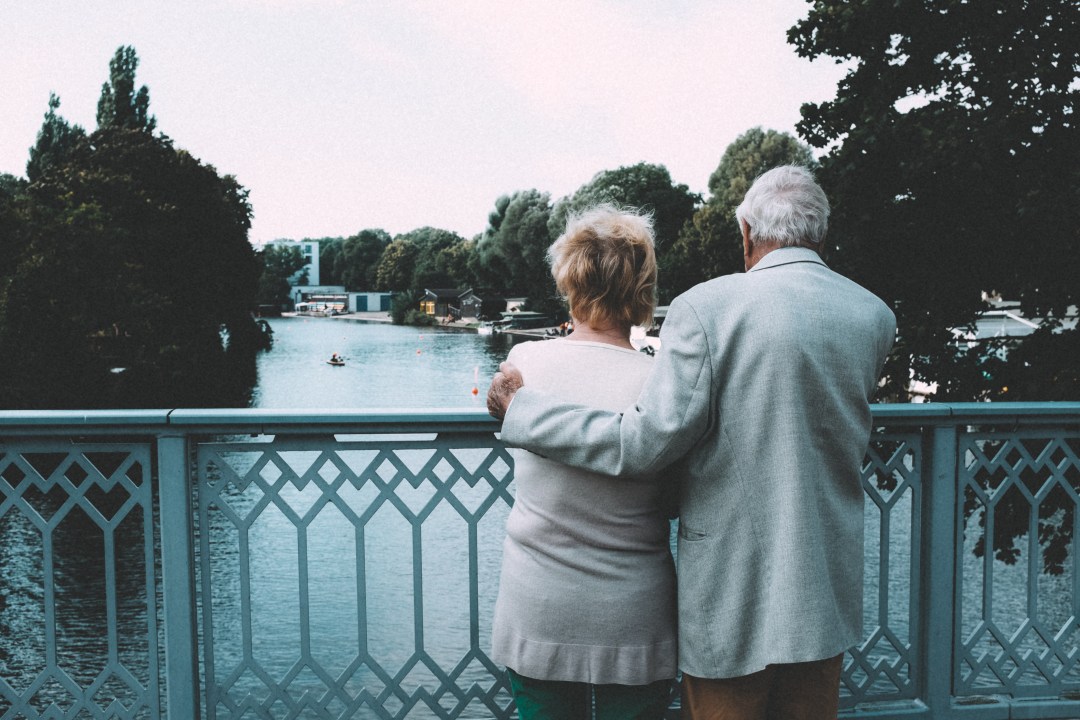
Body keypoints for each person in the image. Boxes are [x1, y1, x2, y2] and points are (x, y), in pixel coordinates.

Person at [487, 166, 897, 720]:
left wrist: (525, 412)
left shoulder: (706, 308)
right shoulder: (873, 315)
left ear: (746, 233)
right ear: (822, 237)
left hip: (727, 589)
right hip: (822, 583)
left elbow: (646, 445)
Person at [490, 205, 677, 720]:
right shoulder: (660, 382)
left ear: (568, 281)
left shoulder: (524, 364)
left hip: (540, 600)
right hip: (633, 609)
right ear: (642, 289)